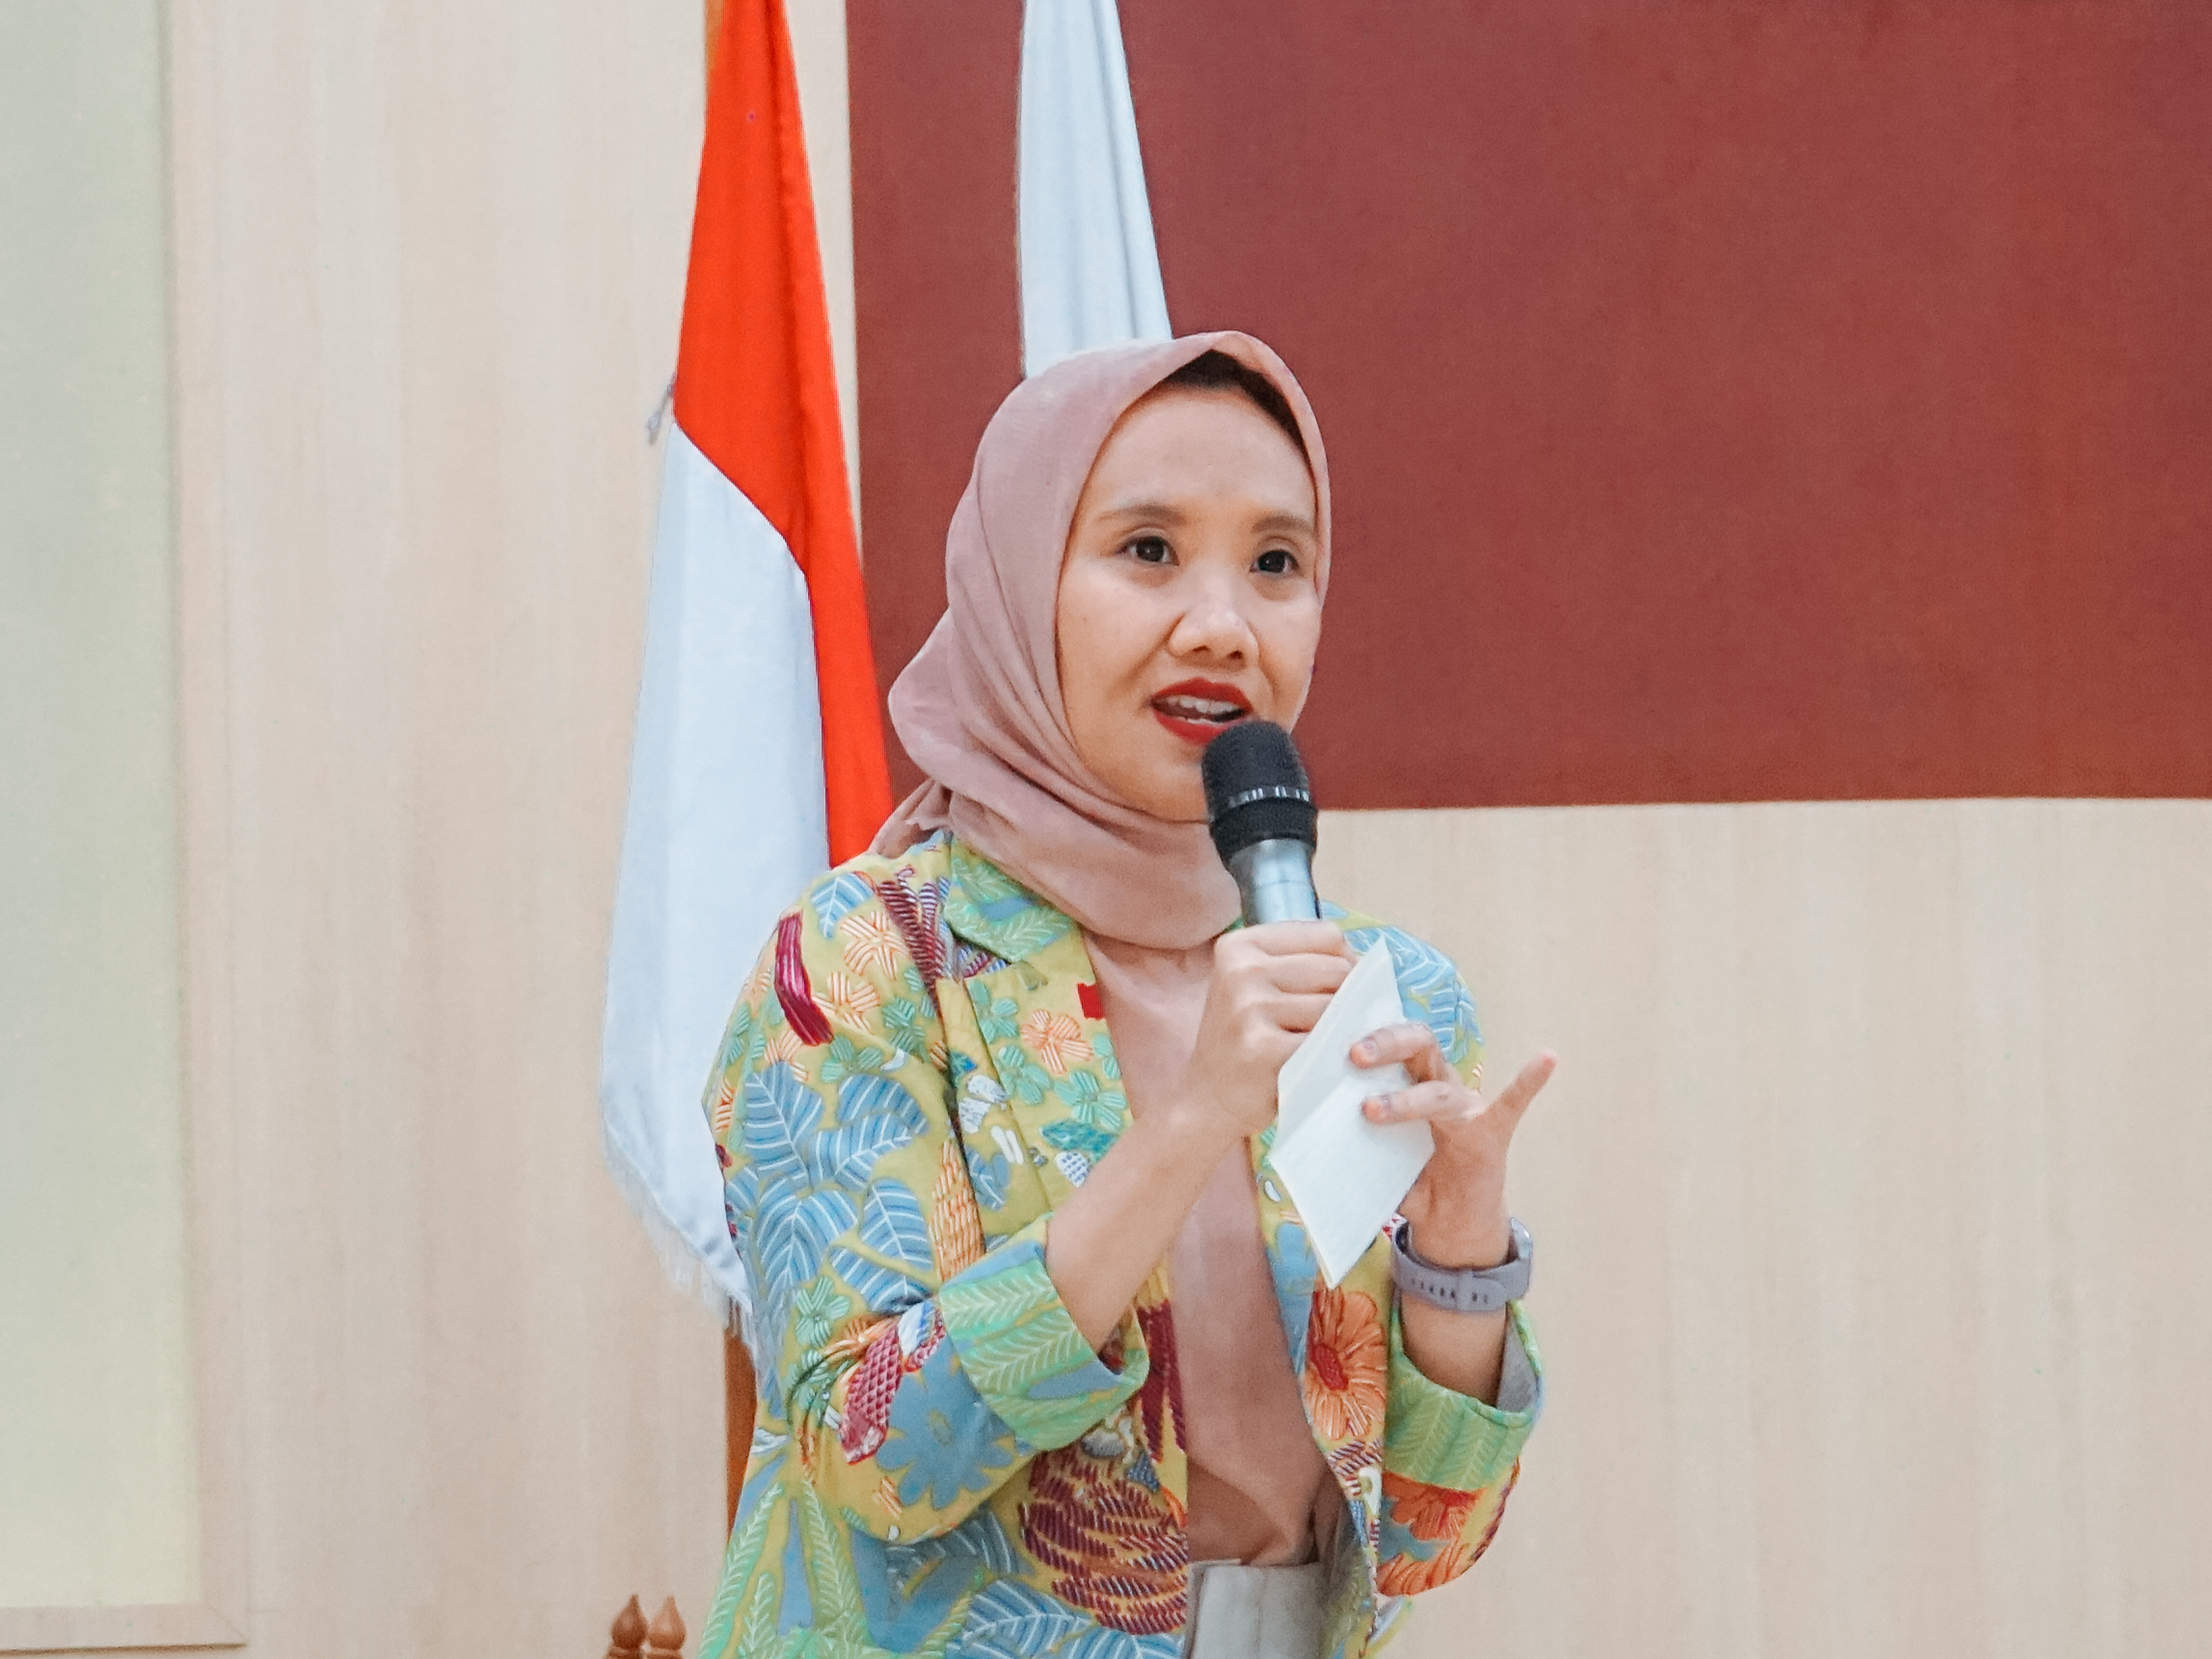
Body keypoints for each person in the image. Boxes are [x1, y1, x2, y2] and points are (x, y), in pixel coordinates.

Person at [694, 334, 1551, 1659]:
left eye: (1276, 563)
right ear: (1018, 585)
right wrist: (1188, 1124)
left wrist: (1459, 1266)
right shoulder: (864, 962)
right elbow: (876, 1459)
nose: (1221, 624)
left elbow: (1424, 1538)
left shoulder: (1367, 989)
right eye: (1148, 549)